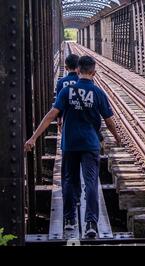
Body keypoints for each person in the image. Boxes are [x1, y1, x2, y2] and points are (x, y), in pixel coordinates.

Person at [25, 56, 121, 238]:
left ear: (77, 70)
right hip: (90, 144)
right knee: (91, 182)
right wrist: (116, 138)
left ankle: (69, 220)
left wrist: (33, 137)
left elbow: (51, 115)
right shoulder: (99, 93)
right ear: (93, 72)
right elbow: (109, 122)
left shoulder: (66, 91)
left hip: (69, 144)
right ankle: (91, 223)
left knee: (69, 181)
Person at [55, 54, 80, 133]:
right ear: (79, 66)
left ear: (66, 68)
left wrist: (59, 121)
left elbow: (58, 104)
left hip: (68, 120)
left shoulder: (61, 82)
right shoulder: (84, 81)